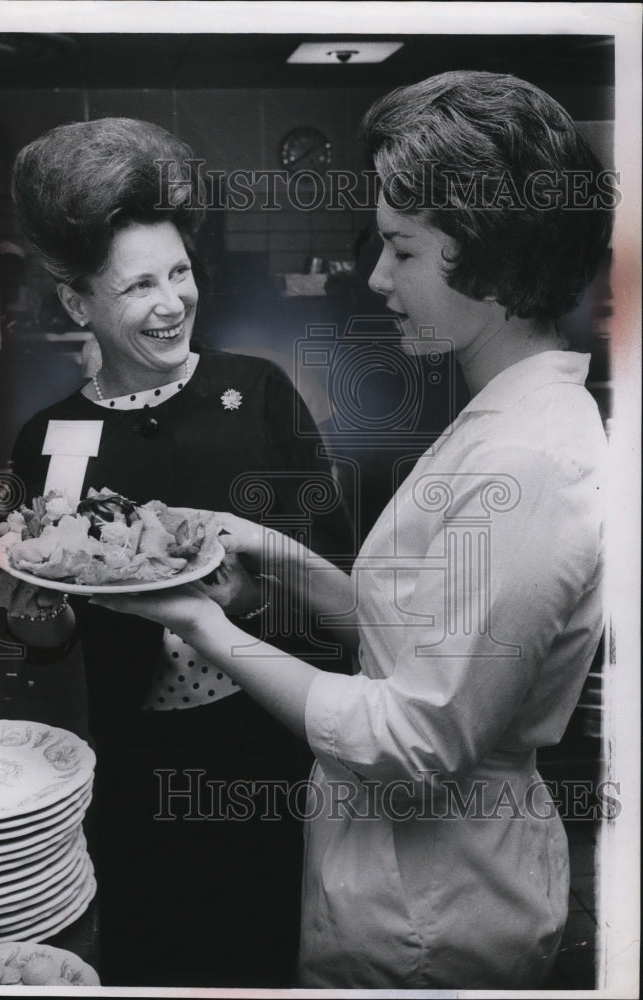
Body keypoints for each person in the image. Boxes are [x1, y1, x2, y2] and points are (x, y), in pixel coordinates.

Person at [93, 72, 612, 989]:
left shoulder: (530, 463)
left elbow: (410, 741)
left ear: (487, 258)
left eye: (401, 251)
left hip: (436, 916)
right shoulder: (499, 411)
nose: (374, 278)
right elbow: (411, 624)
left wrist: (203, 627)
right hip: (393, 875)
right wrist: (264, 551)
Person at [0, 117, 353, 987]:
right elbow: (50, 639)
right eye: (138, 285)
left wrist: (248, 603)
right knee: (151, 948)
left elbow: (344, 596)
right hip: (136, 752)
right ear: (80, 305)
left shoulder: (257, 393)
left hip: (269, 743)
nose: (172, 302)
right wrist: (29, 621)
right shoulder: (50, 438)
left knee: (268, 949)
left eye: (181, 273)